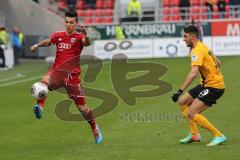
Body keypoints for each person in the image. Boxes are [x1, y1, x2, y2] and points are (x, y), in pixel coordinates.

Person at [30, 10, 103, 144]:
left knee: (82, 109)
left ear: (76, 23)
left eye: (71, 22)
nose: (68, 25)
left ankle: (94, 127)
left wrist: (86, 35)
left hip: (72, 77)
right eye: (67, 22)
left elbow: (87, 43)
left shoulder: (79, 36)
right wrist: (37, 45)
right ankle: (40, 107)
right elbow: (49, 41)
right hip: (57, 72)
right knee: (44, 83)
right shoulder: (58, 35)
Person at [171, 25, 227, 146]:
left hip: (214, 87)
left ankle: (219, 135)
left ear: (192, 36)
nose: (183, 39)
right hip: (206, 84)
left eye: (185, 36)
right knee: (182, 102)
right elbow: (219, 62)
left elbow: (193, 73)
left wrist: (179, 90)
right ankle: (194, 134)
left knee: (192, 112)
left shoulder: (197, 50)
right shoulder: (203, 46)